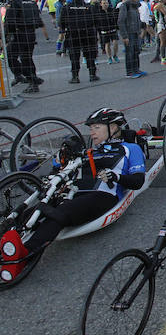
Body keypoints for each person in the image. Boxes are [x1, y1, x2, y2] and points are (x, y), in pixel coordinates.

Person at [0, 108, 146, 282]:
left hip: (102, 195)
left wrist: (116, 176)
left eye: (96, 127)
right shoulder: (89, 152)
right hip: (73, 192)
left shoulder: (130, 148)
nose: (91, 132)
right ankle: (6, 242)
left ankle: (24, 255)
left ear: (113, 127)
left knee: (60, 213)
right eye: (90, 128)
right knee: (33, 211)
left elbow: (138, 181)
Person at [5, 0, 45, 93]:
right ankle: (27, 78)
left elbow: (9, 21)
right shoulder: (30, 1)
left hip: (19, 33)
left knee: (11, 56)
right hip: (31, 33)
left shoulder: (14, 2)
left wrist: (5, 36)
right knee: (27, 57)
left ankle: (31, 78)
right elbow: (38, 18)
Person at [60, 0, 101, 83]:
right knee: (90, 54)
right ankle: (92, 74)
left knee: (74, 56)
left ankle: (75, 76)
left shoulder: (67, 8)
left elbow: (62, 22)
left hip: (73, 34)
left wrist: (64, 30)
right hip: (88, 34)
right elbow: (96, 20)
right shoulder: (89, 7)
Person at [118, 0, 146, 78]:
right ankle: (130, 71)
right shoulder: (125, 6)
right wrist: (124, 36)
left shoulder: (136, 6)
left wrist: (141, 28)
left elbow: (138, 19)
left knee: (136, 51)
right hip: (129, 33)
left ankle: (136, 69)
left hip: (136, 32)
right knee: (130, 52)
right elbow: (121, 21)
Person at [97, 0, 120, 64]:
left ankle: (115, 55)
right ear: (101, 4)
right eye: (104, 3)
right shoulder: (99, 12)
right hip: (104, 31)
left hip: (113, 29)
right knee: (107, 44)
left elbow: (116, 18)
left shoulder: (111, 10)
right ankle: (109, 57)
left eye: (106, 3)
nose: (105, 4)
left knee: (115, 43)